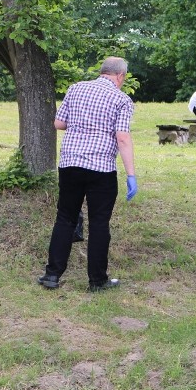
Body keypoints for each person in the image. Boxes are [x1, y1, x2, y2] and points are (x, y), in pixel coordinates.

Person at [37, 56, 138, 292]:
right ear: (120, 76)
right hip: (101, 168)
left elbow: (59, 123)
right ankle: (97, 280)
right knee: (99, 224)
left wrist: (81, 123)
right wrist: (131, 175)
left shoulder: (76, 89)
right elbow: (122, 137)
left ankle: (52, 276)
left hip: (70, 163)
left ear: (102, 71)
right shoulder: (121, 99)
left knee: (65, 218)